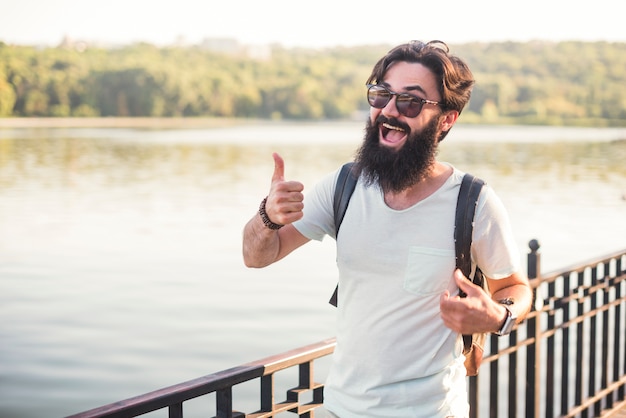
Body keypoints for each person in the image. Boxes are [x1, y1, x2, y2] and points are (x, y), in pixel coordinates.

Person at [242, 40, 533, 418]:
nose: (389, 110)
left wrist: (497, 315)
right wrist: (268, 216)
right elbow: (257, 257)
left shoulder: (473, 202)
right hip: (341, 409)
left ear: (446, 119)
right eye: (381, 95)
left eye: (410, 102)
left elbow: (516, 287)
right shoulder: (343, 186)